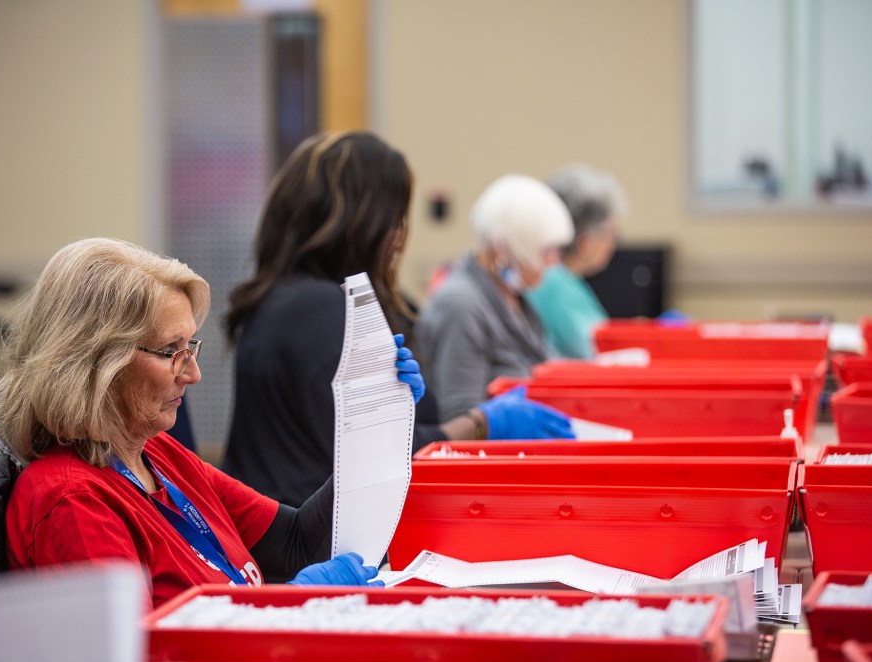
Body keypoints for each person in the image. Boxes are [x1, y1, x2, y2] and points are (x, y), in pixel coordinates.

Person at [0, 237, 387, 611]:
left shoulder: (156, 453)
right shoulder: (72, 501)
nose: (193, 374)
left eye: (190, 346)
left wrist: (377, 419)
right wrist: (290, 610)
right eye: (170, 351)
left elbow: (298, 542)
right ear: (97, 364)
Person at [222, 131, 574, 507]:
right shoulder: (317, 309)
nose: (400, 239)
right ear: (364, 224)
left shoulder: (288, 298)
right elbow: (374, 458)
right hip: (303, 546)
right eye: (395, 220)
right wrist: (483, 423)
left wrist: (405, 404)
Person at [414, 173, 576, 422]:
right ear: (503, 247)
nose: (554, 262)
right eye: (545, 251)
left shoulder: (514, 296)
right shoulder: (461, 306)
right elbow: (458, 414)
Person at [525, 163, 629, 359]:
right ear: (586, 242)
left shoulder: (554, 278)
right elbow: (598, 351)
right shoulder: (554, 283)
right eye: (612, 234)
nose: (614, 244)